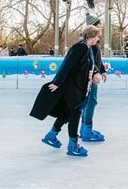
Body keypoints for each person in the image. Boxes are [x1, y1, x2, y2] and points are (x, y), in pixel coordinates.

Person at [30, 25, 101, 157]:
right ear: (91, 36)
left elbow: (88, 65)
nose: (98, 38)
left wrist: (95, 73)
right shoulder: (79, 48)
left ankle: (51, 135)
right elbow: (67, 65)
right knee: (75, 113)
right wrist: (57, 83)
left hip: (79, 87)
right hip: (71, 87)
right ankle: (73, 145)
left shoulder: (88, 48)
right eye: (97, 36)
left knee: (67, 112)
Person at [80, 13, 108, 142]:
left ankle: (84, 129)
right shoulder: (90, 43)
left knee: (88, 103)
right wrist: (96, 72)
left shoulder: (95, 42)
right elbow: (89, 61)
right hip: (90, 77)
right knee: (91, 102)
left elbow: (97, 60)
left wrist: (102, 70)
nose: (101, 27)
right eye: (99, 25)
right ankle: (87, 130)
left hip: (92, 75)